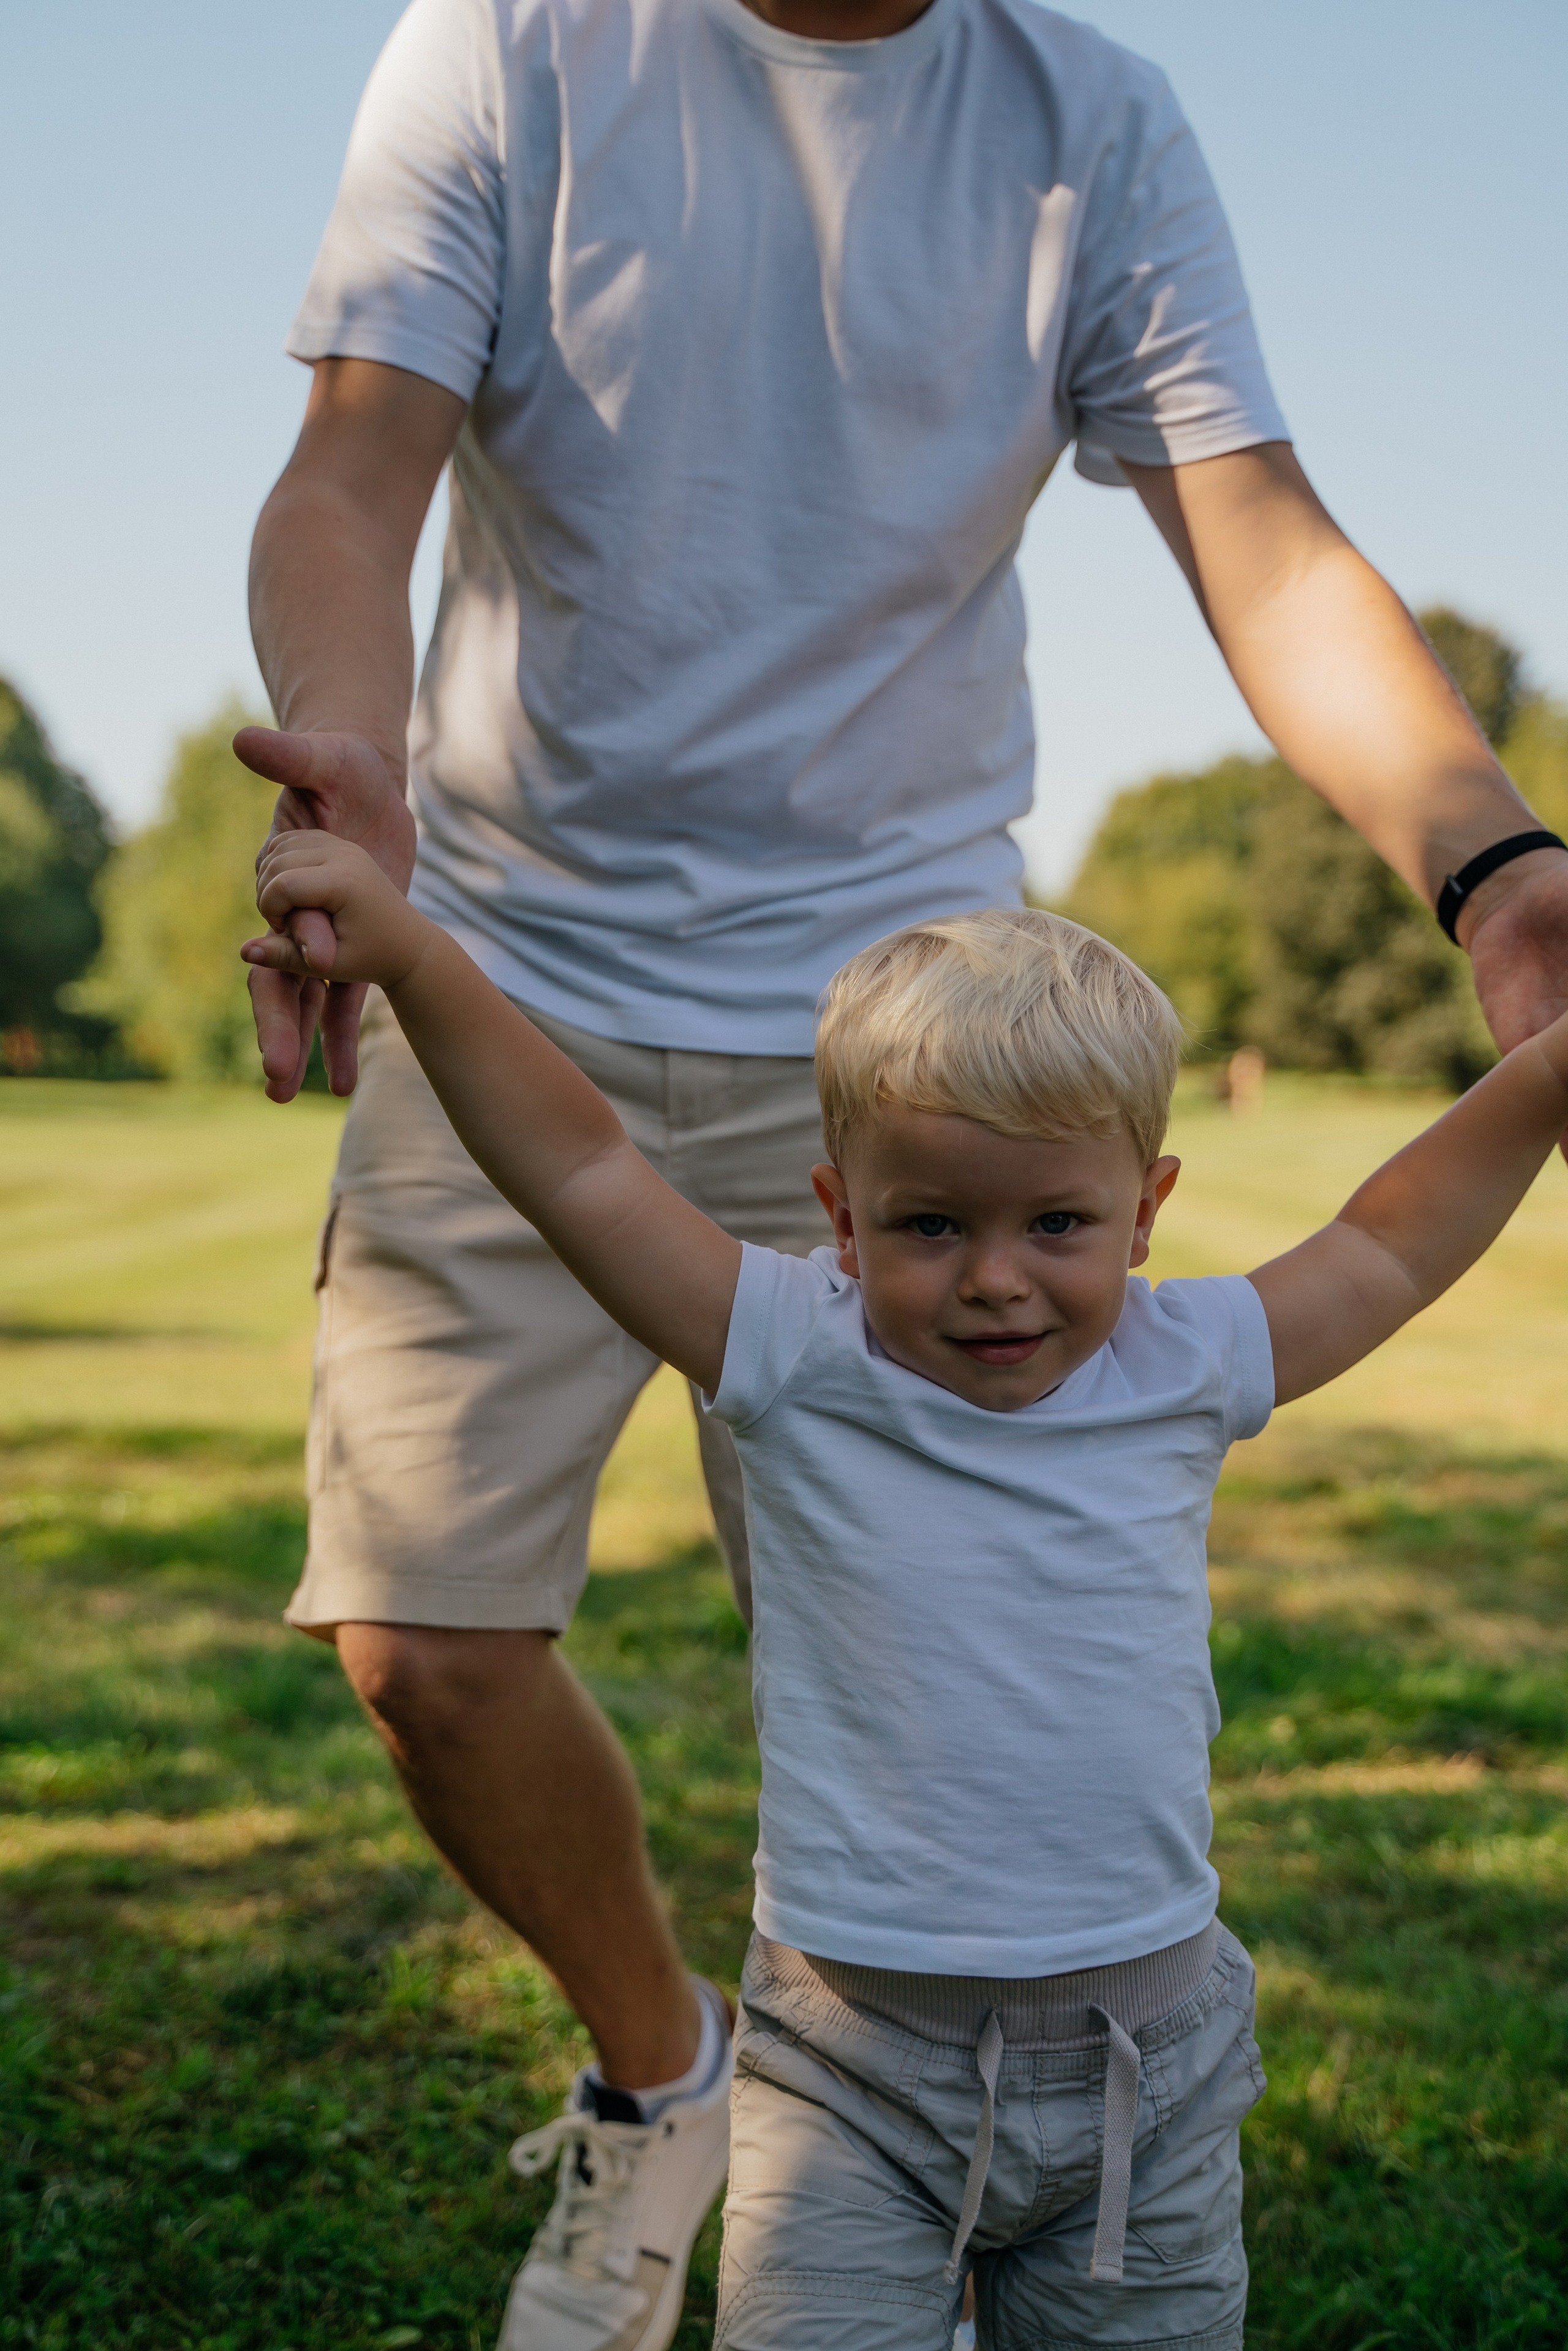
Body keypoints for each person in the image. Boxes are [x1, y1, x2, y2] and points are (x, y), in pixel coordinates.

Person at [238, 0, 1568, 2336]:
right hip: (512, 957)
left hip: (908, 1029)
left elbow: (1261, 547)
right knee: (422, 1643)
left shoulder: (1089, 120)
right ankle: (675, 2075)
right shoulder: (513, 49)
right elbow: (356, 474)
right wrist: (352, 783)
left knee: (890, 1628)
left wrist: (1495, 862)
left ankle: (902, 2180)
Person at [242, 863, 1568, 2349]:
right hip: (848, 2075)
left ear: (1145, 1210)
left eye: (1056, 1223)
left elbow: (1386, 1240)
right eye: (929, 1225)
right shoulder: (796, 1354)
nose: (995, 1280)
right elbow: (584, 1170)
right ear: (839, 1212)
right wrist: (416, 957)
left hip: (1149, 2061)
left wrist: (1547, 1071)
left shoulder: (1182, 1359)